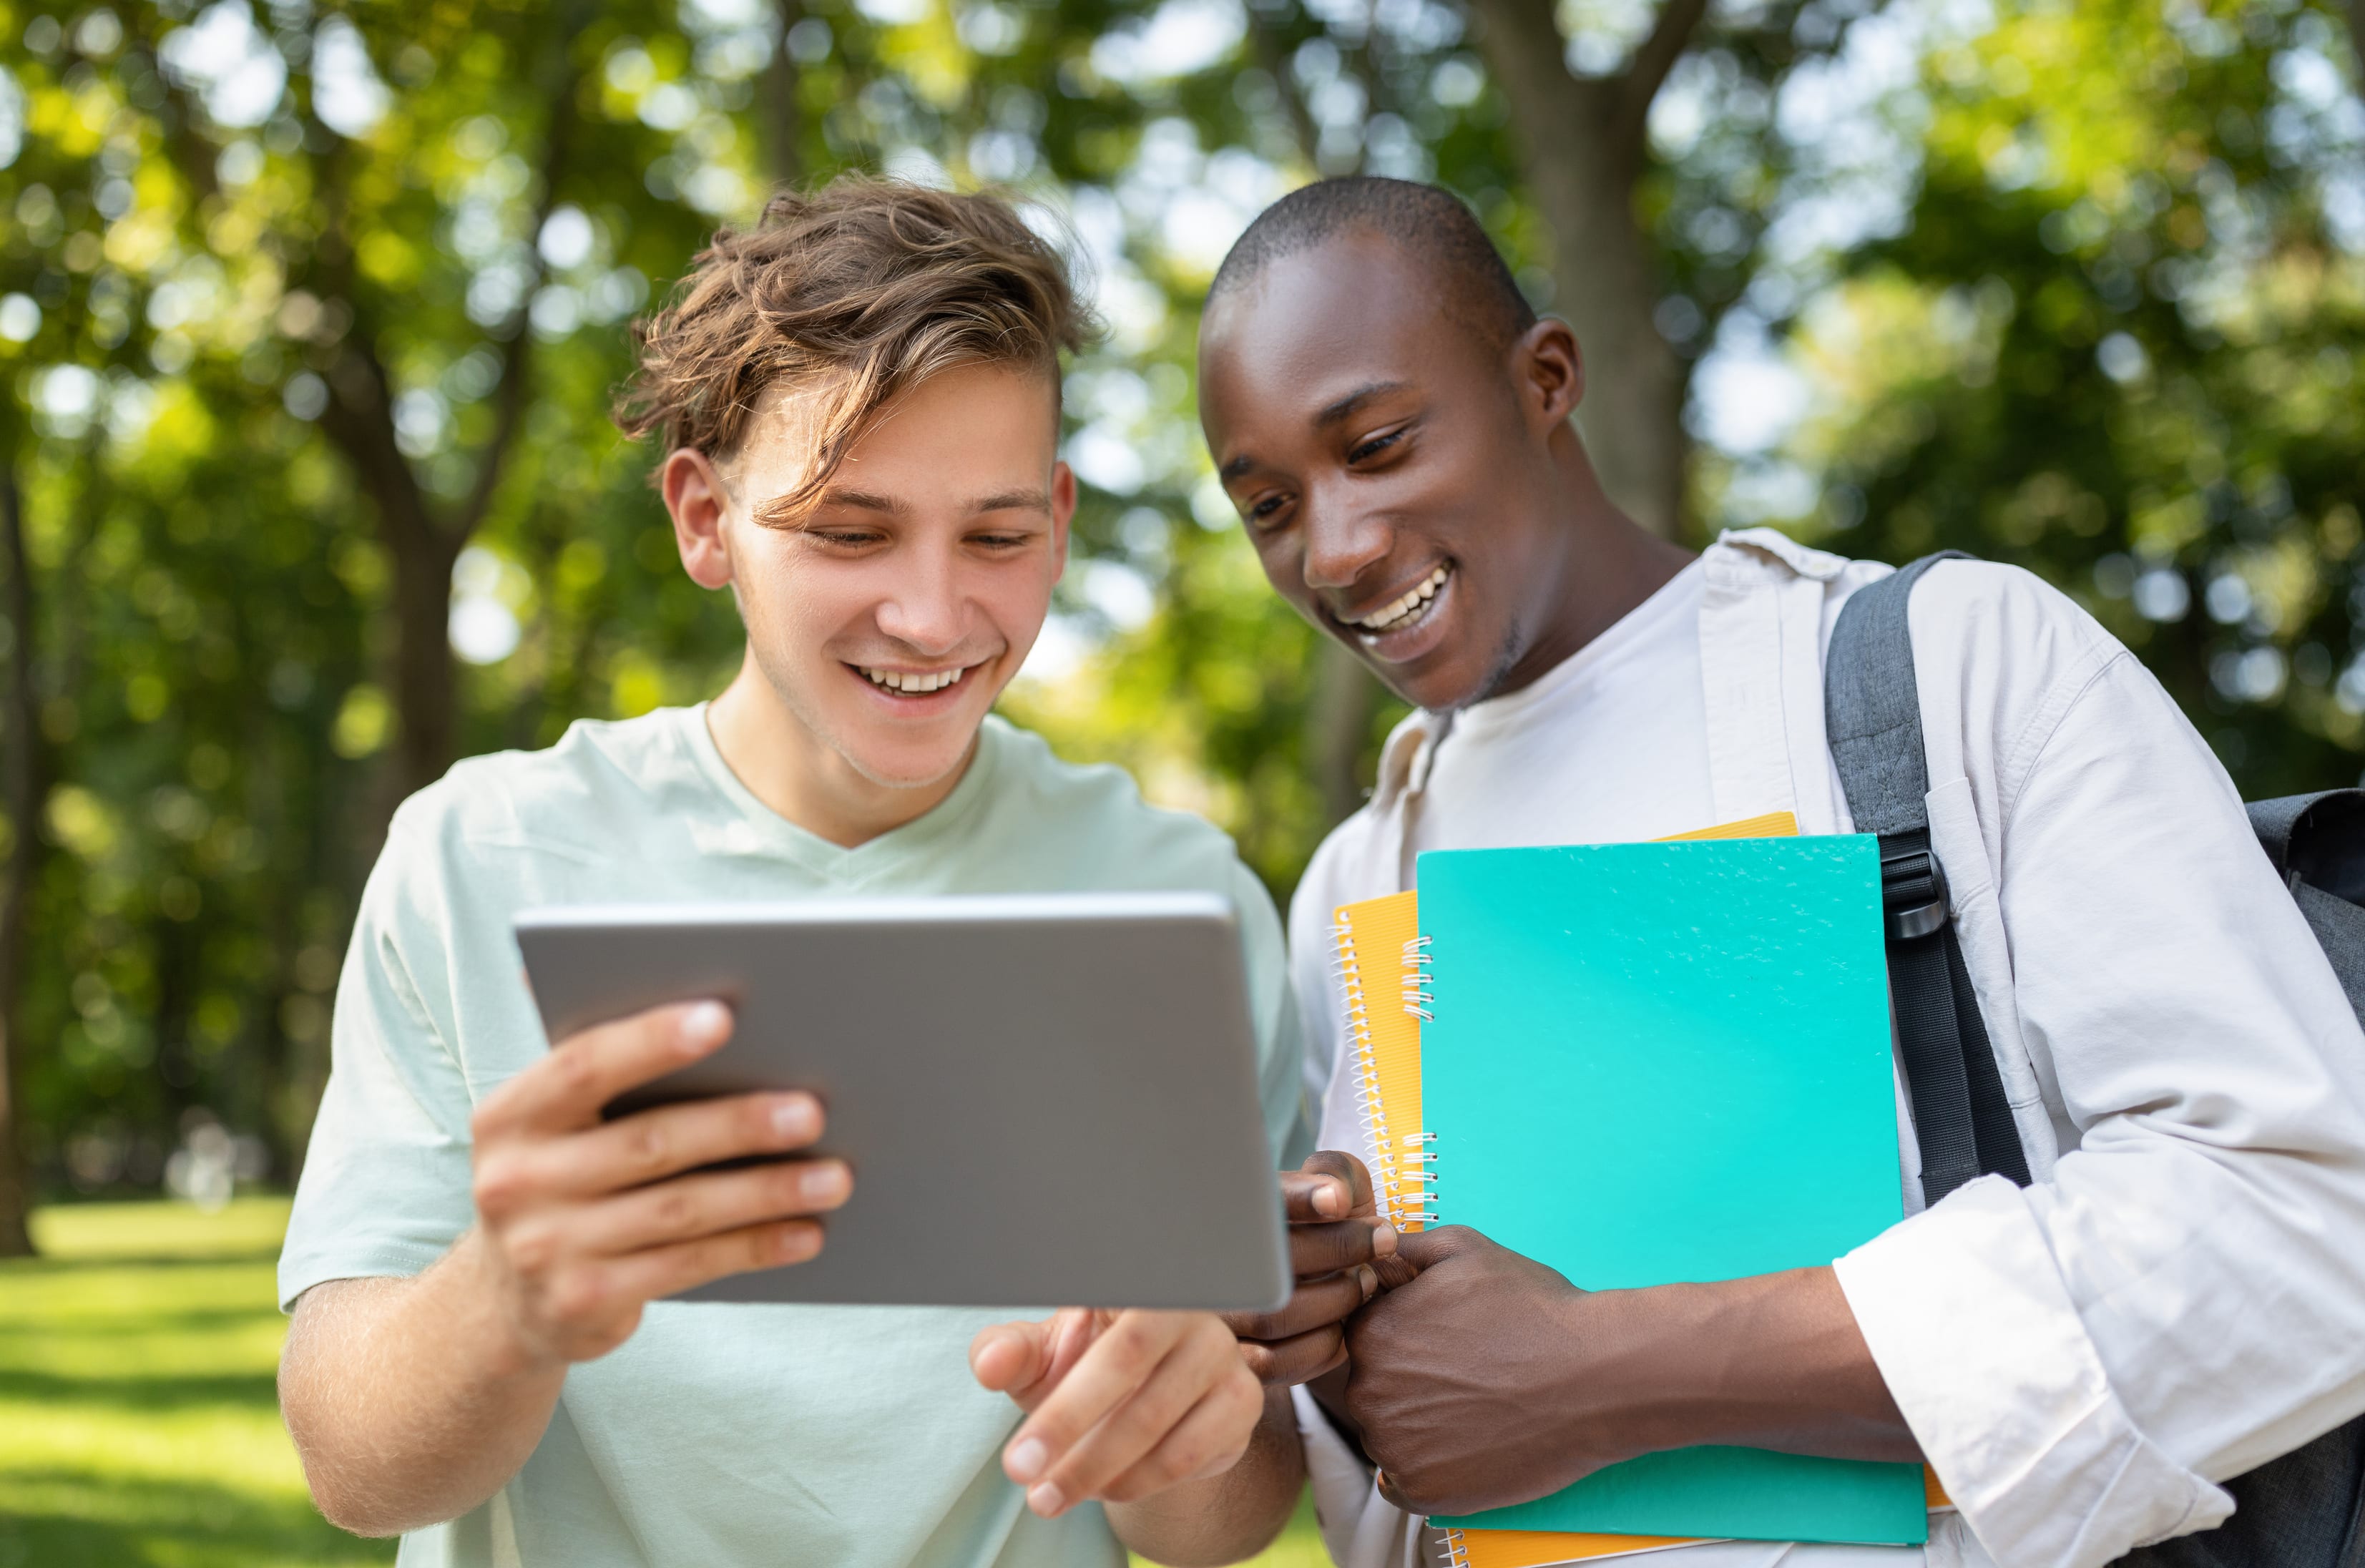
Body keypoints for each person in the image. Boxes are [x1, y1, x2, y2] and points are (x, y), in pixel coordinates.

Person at [1195, 177, 2365, 1568]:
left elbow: (2303, 1226)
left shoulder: (1948, 673)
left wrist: (1607, 1365)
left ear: (1547, 379)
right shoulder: (1356, 877)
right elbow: (1413, 1478)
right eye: (1269, 505)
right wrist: (1329, 1335)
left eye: (1379, 444)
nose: (1333, 548)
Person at [273, 179, 1333, 1568]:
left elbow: (1222, 1515)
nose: (934, 613)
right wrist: (503, 1303)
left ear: (1060, 520)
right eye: (850, 529)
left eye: (1000, 536)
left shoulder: (1177, 897)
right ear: (706, 520)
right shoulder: (480, 856)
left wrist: (1174, 1425)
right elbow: (356, 1468)